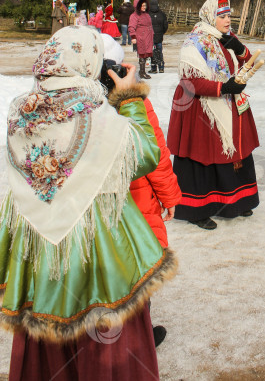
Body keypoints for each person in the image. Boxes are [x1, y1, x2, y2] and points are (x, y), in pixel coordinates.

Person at [0, 25, 177, 380]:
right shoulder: (94, 116)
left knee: (47, 336)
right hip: (96, 248)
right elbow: (143, 155)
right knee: (105, 336)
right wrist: (129, 99)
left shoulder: (21, 113)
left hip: (39, 248)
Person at [101, 33, 182, 348]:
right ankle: (139, 338)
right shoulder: (132, 102)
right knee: (138, 271)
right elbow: (155, 156)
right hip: (136, 203)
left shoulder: (74, 105)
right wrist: (170, 197)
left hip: (99, 211)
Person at [167, 0, 260, 230]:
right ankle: (197, 210)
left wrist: (239, 48)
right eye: (222, 15)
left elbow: (247, 60)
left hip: (229, 102)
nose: (228, 20)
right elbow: (189, 81)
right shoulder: (195, 42)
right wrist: (223, 86)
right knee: (204, 157)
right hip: (201, 108)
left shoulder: (226, 37)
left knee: (234, 153)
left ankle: (236, 202)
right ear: (210, 16)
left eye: (229, 14)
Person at [129, 0, 154, 79]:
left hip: (148, 37)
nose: (144, 7)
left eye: (145, 5)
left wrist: (152, 34)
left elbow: (150, 25)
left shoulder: (146, 14)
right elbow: (131, 27)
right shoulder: (134, 16)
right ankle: (142, 72)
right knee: (142, 55)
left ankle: (142, 71)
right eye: (142, 6)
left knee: (147, 54)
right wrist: (133, 37)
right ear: (138, 6)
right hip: (141, 37)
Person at [148, 0, 169, 74]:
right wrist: (162, 32)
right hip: (159, 36)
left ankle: (154, 68)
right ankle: (161, 67)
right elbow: (165, 25)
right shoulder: (162, 14)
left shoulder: (148, 14)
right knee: (159, 52)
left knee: (153, 52)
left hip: (151, 36)